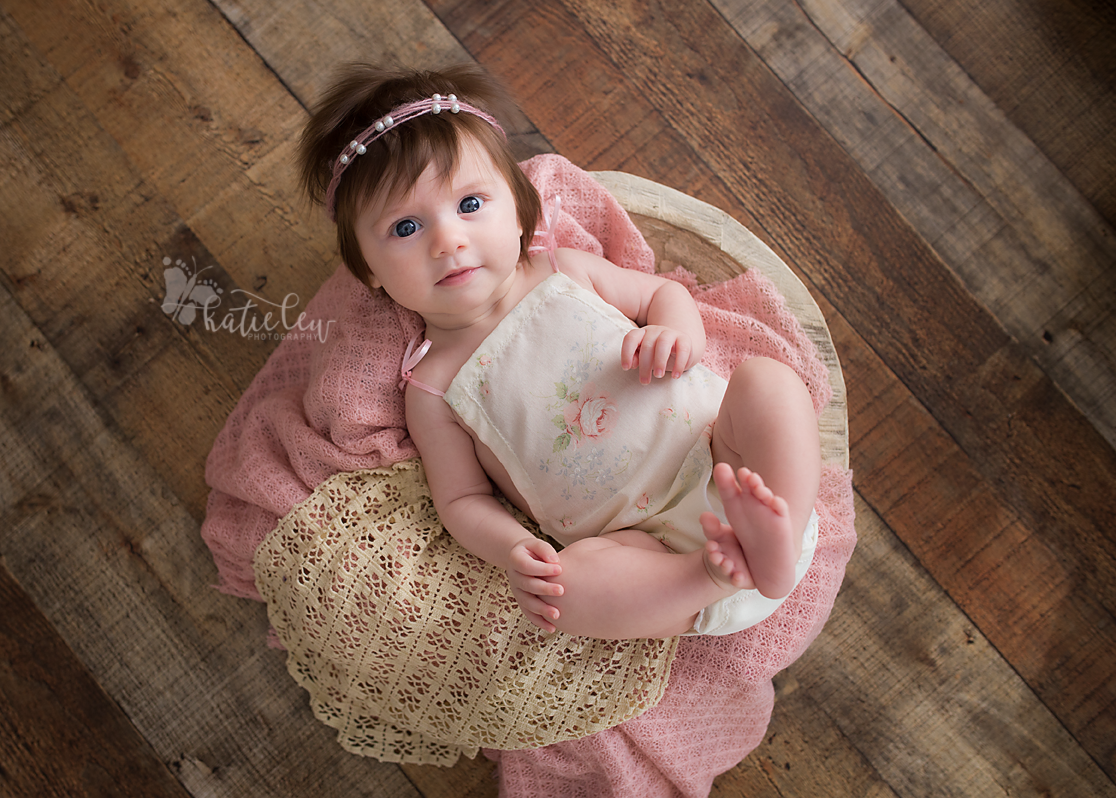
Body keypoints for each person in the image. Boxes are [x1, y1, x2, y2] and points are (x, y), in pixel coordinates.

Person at [299, 63, 822, 640]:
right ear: (367, 271)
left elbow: (661, 294)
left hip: (726, 454)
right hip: (644, 548)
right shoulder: (433, 386)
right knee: (562, 593)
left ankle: (781, 531)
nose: (449, 241)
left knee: (767, 383)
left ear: (521, 211)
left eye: (470, 205)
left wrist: (677, 333)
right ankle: (716, 577)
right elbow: (461, 499)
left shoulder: (565, 271)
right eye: (405, 229)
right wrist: (515, 547)